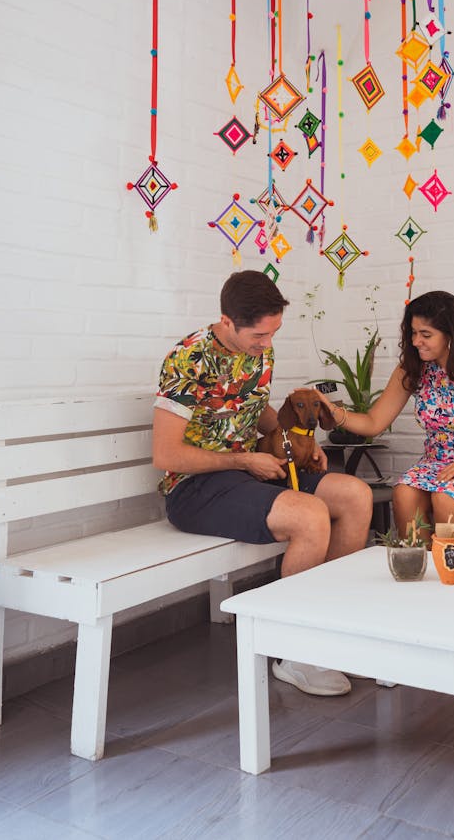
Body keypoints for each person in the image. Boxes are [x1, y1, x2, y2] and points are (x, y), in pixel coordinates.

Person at [152, 270, 373, 697]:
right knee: (310, 515)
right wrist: (242, 459)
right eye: (258, 335)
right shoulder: (188, 359)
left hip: (247, 474)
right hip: (195, 488)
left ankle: (331, 632)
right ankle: (295, 651)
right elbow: (166, 455)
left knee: (355, 495)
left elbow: (255, 406)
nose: (267, 344)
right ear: (227, 321)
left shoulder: (257, 351)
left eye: (274, 333)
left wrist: (298, 440)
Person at [324, 290, 454, 548]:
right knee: (404, 494)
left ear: (451, 334)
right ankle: (419, 572)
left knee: (446, 498)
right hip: (438, 466)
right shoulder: (414, 368)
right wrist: (333, 413)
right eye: (413, 333)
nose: (416, 341)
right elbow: (373, 423)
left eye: (426, 335)